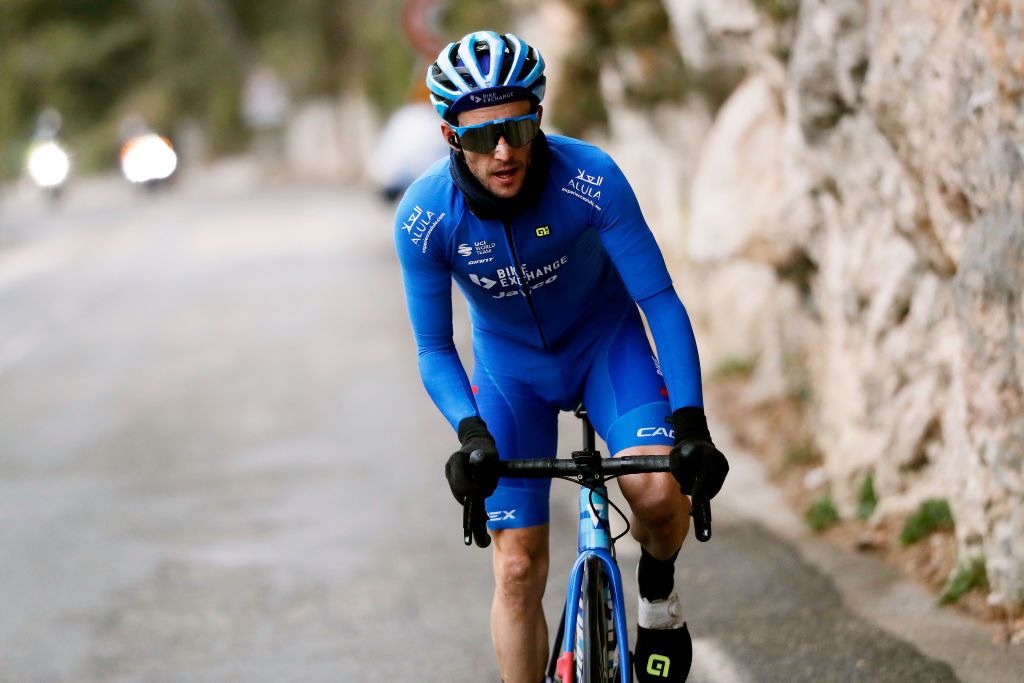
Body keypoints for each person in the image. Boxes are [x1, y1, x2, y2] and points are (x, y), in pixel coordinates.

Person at [394, 30, 729, 683]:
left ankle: (657, 596)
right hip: (509, 374)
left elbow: (660, 302)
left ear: (539, 117)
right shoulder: (426, 217)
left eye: (516, 130)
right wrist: (470, 432)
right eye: (480, 136)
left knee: (659, 491)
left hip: (606, 347)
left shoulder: (592, 178)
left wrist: (691, 424)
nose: (501, 151)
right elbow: (435, 347)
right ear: (448, 135)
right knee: (517, 568)